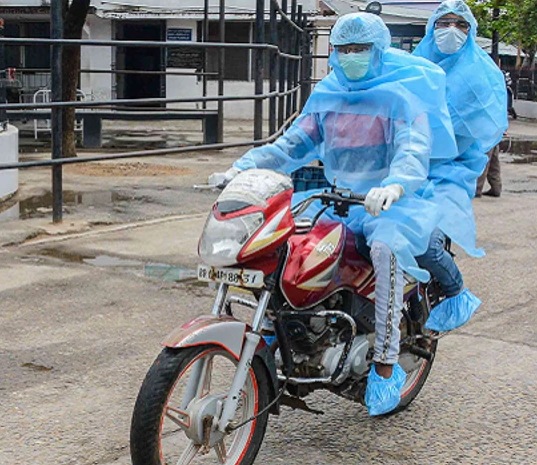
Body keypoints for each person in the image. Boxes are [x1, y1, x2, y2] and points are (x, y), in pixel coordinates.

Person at [208, 13, 458, 416]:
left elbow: (413, 151)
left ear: (378, 52)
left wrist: (394, 185)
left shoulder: (400, 99)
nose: (351, 56)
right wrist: (243, 168)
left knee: (383, 249)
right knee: (285, 248)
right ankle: (281, 332)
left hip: (388, 202)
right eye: (344, 49)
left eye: (360, 49)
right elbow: (290, 145)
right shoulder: (326, 97)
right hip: (337, 198)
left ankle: (385, 360)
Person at [411, 0, 508, 317]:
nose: (451, 30)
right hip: (405, 169)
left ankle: (455, 292)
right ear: (431, 27)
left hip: (448, 177)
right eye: (444, 23)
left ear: (471, 30)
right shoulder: (415, 67)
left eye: (460, 24)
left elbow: (481, 132)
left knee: (425, 248)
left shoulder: (481, 75)